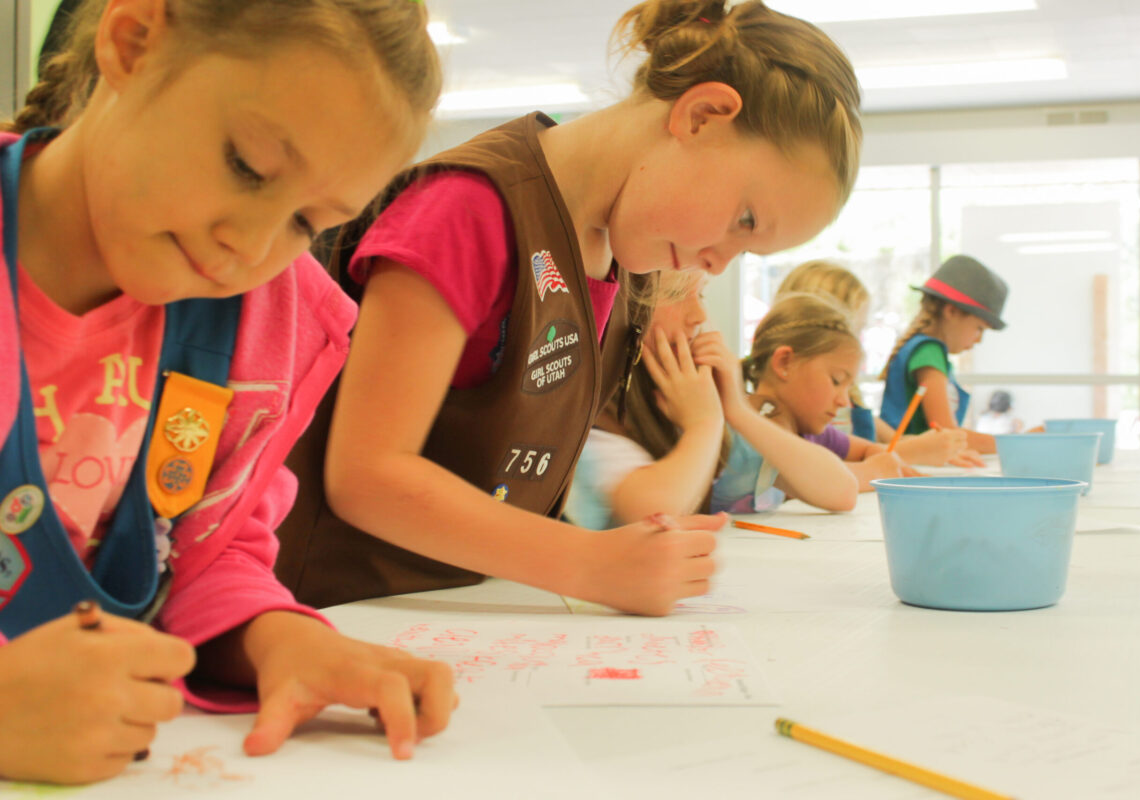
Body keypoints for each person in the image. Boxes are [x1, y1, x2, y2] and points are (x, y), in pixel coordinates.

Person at [274, 0, 863, 616]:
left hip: (475, 610)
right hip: (350, 614)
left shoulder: (628, 262)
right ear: (702, 117)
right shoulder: (466, 210)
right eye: (743, 220)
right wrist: (586, 562)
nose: (719, 263)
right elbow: (367, 477)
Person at [0, 0, 456, 785]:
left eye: (308, 222)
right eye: (246, 166)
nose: (249, 246)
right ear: (133, 40)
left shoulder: (254, 327)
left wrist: (278, 639)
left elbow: (202, 545)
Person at [564, 272, 857, 529]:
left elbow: (841, 492)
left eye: (700, 293)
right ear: (620, 309)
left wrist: (737, 410)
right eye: (677, 293)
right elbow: (652, 511)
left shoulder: (692, 396)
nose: (699, 315)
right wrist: (704, 424)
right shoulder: (594, 416)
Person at [776, 259, 982, 467]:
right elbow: (815, 470)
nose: (857, 344)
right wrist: (914, 450)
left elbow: (885, 442)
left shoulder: (850, 400)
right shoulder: (794, 415)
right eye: (854, 331)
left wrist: (929, 446)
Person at [721, 291, 918, 500]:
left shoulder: (807, 429)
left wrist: (880, 458)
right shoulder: (753, 431)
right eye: (836, 380)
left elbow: (867, 449)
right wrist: (874, 471)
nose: (844, 401)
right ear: (784, 362)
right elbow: (837, 488)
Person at [878, 255, 1009, 454]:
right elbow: (948, 433)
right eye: (979, 328)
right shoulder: (929, 352)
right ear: (952, 311)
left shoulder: (925, 350)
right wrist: (1016, 443)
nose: (979, 340)